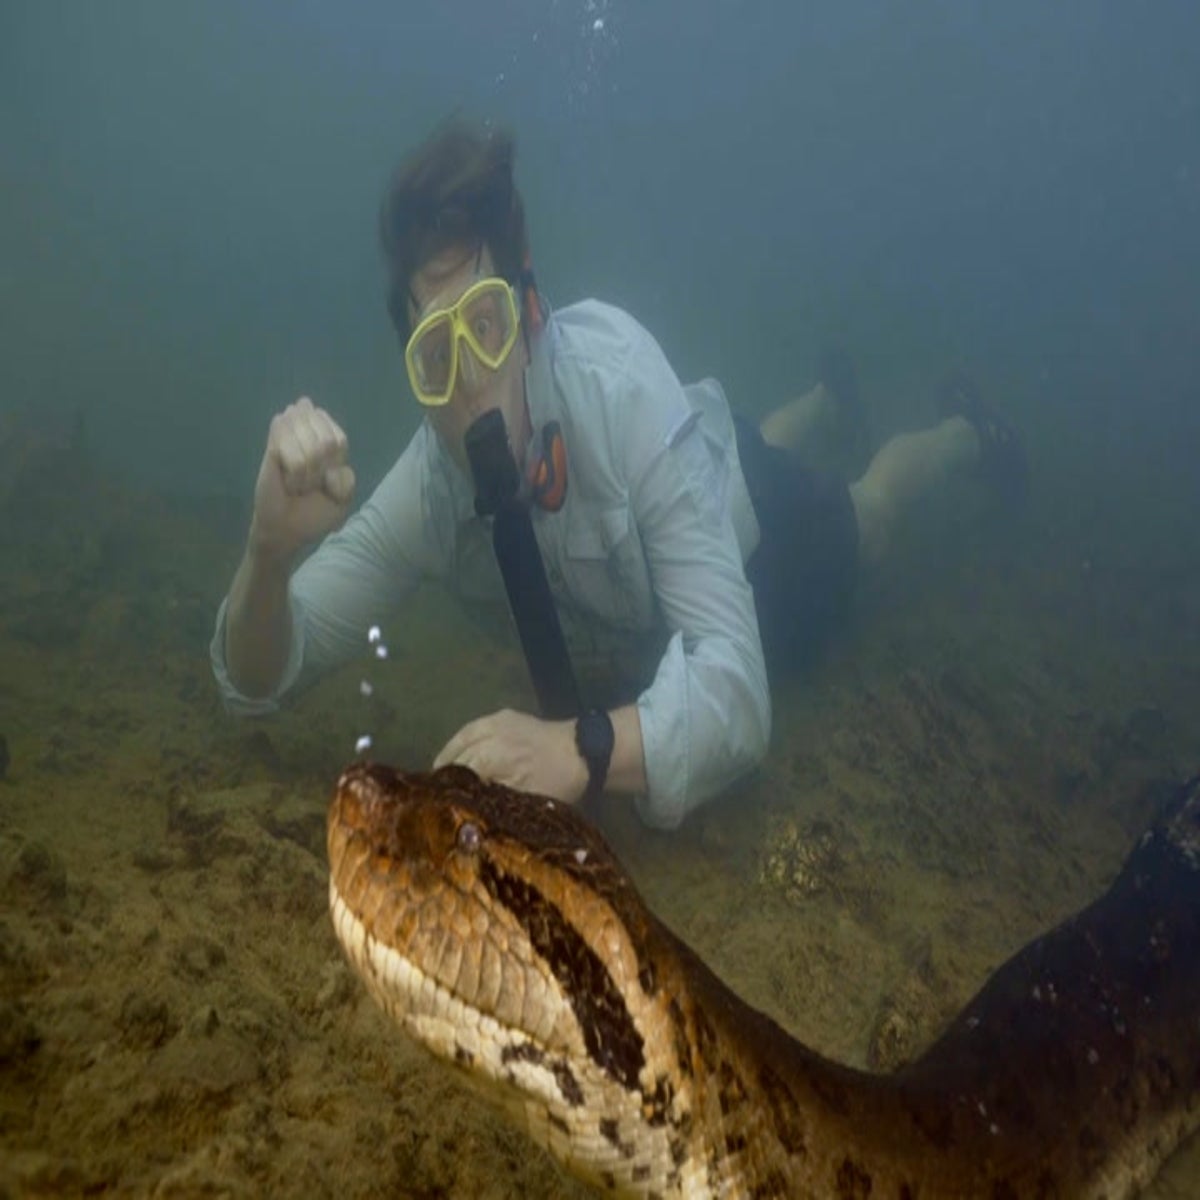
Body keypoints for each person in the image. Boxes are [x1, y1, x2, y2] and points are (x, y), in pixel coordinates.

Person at [210, 120, 1026, 830]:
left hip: (752, 519)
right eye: (434, 355)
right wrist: (267, 557)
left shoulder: (621, 391)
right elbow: (262, 678)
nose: (468, 386)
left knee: (868, 514)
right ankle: (821, 399)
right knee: (722, 445)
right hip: (689, 453)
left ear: (531, 314)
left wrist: (580, 746)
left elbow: (737, 686)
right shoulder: (427, 492)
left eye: (486, 326)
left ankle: (965, 434)